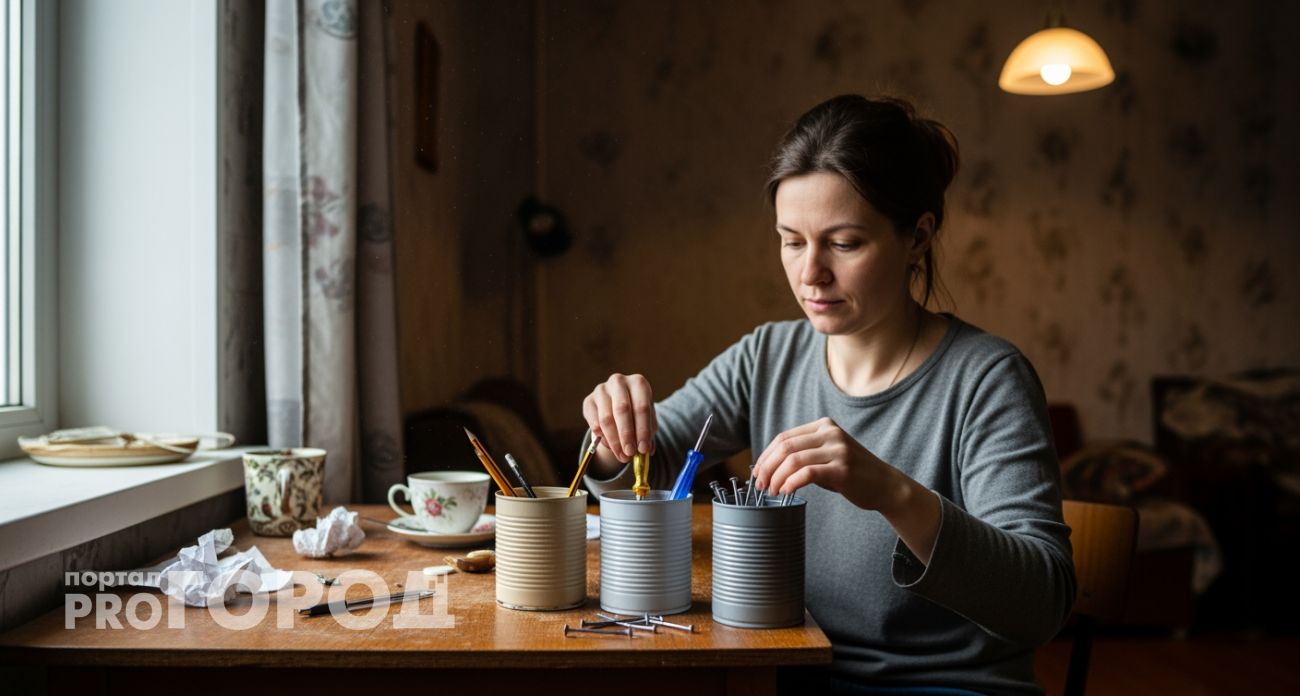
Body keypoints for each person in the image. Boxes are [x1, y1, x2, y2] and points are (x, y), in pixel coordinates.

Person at [578, 94, 1076, 696]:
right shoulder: (768, 357)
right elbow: (647, 462)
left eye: (843, 244)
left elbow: (1042, 603)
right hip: (784, 674)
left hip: (947, 686)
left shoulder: (987, 379)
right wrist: (613, 430)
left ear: (917, 238)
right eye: (792, 241)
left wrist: (890, 491)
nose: (810, 273)